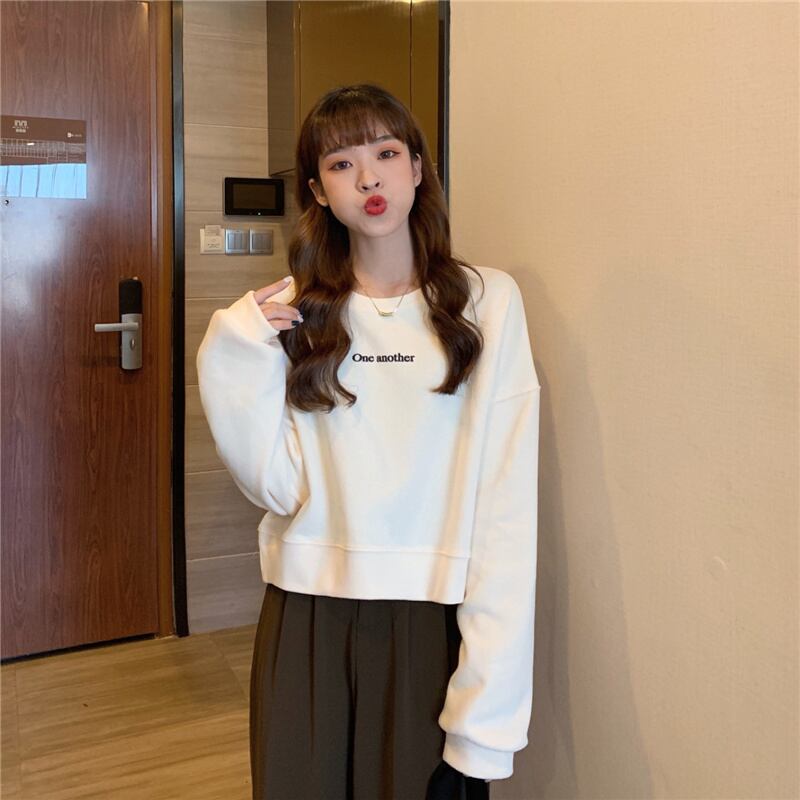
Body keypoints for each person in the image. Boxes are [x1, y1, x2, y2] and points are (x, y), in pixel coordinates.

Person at [196, 83, 541, 800]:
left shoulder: (486, 303)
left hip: (432, 621)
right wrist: (233, 352)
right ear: (319, 192)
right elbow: (275, 487)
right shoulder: (294, 316)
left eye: (385, 153)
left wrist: (487, 715)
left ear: (417, 167)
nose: (368, 179)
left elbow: (506, 510)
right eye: (341, 164)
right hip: (306, 615)